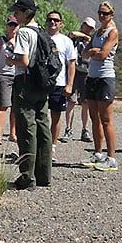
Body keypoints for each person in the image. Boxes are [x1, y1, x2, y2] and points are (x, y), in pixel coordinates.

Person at [9, 0, 51, 190]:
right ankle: (44, 175)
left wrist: (10, 60)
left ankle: (27, 177)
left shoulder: (24, 32)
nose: (15, 14)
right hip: (42, 83)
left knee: (26, 128)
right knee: (43, 127)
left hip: (25, 82)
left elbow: (24, 61)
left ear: (26, 12)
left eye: (18, 11)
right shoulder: (41, 31)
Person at [82, 1, 121, 172]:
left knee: (106, 119)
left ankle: (111, 157)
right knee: (94, 117)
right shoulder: (97, 32)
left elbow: (104, 54)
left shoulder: (113, 32)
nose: (102, 16)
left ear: (111, 15)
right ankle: (98, 153)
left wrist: (93, 52)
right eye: (100, 13)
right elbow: (85, 54)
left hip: (105, 78)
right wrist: (92, 52)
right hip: (92, 77)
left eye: (105, 13)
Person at [44, 10, 78, 146]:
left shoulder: (66, 41)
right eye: (50, 19)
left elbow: (71, 64)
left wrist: (69, 84)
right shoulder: (41, 38)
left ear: (61, 24)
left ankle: (52, 147)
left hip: (58, 84)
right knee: (39, 117)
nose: (53, 22)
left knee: (56, 117)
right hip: (41, 84)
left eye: (56, 20)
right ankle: (39, 146)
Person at [0, 15, 19, 153]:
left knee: (16, 106)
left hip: (18, 76)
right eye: (10, 24)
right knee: (3, 105)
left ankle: (13, 133)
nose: (12, 27)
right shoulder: (0, 41)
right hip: (4, 75)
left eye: (15, 25)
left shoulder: (21, 40)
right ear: (7, 25)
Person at [65, 17, 96, 143]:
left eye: (90, 28)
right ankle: (68, 129)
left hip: (87, 73)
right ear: (82, 25)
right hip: (75, 72)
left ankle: (84, 129)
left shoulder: (92, 41)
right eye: (87, 26)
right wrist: (85, 37)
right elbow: (71, 34)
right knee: (71, 101)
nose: (88, 29)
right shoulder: (75, 38)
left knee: (85, 103)